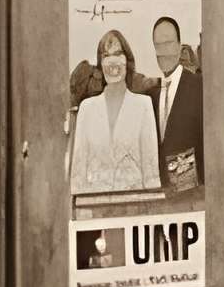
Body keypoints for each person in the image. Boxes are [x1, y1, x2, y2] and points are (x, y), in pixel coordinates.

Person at [68, 29, 161, 196]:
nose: (112, 61)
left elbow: (151, 173)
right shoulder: (86, 109)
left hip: (134, 211)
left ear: (128, 60)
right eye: (105, 55)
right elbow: (77, 177)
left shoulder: (144, 106)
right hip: (94, 212)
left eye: (118, 53)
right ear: (100, 64)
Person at [150, 16, 203, 194]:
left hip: (192, 196)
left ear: (180, 46)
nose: (163, 52)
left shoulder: (199, 88)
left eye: (168, 44)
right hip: (160, 196)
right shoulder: (152, 95)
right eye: (158, 46)